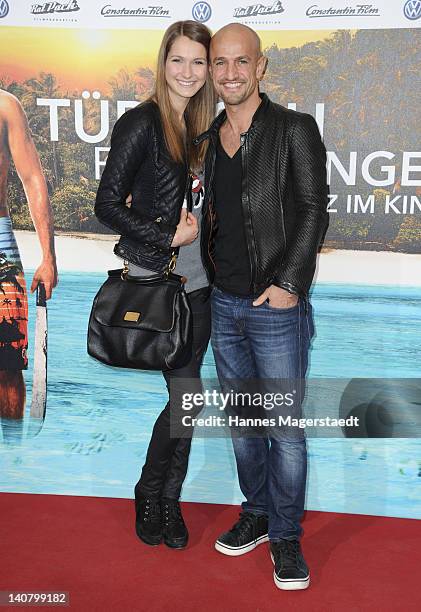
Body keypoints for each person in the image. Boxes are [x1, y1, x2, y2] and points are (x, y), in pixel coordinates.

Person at [194, 24, 328, 589]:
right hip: (224, 306)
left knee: (285, 431)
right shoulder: (206, 138)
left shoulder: (293, 129)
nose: (228, 74)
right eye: (218, 63)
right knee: (245, 424)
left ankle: (287, 538)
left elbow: (313, 209)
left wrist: (291, 283)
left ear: (260, 66)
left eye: (239, 62)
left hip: (276, 307)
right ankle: (256, 511)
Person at [95, 21, 216, 549]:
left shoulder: (206, 127)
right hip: (157, 279)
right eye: (178, 60)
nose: (188, 72)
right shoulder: (141, 123)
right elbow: (105, 206)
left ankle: (167, 499)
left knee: (188, 399)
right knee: (188, 394)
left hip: (202, 282)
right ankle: (152, 493)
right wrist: (165, 235)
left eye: (198, 62)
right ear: (162, 62)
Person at [0, 89, 57, 423]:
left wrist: (48, 256)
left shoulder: (5, 105)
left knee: (8, 366)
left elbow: (33, 177)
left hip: (0, 246)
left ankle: (14, 460)